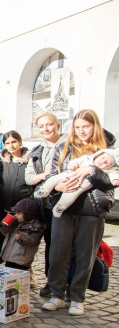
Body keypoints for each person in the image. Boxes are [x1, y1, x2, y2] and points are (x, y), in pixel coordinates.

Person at [41, 110, 116, 316]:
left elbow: (111, 181)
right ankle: (57, 295)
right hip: (64, 208)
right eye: (78, 127)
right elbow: (53, 175)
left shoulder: (107, 150)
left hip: (91, 209)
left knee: (85, 255)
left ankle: (77, 297)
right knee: (58, 252)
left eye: (86, 126)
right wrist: (58, 188)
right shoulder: (64, 148)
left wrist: (91, 171)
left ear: (95, 127)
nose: (82, 131)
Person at [25, 113, 67, 297]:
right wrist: (44, 176)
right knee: (47, 243)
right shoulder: (37, 150)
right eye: (42, 126)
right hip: (42, 204)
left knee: (58, 245)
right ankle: (50, 281)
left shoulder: (68, 146)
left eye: (49, 125)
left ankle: (58, 283)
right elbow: (28, 177)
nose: (46, 129)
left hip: (62, 202)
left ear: (57, 125)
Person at [35, 149, 119, 217]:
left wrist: (115, 180)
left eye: (106, 163)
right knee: (54, 179)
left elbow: (113, 176)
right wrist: (72, 166)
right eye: (103, 158)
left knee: (71, 195)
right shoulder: (87, 158)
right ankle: (43, 190)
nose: (102, 162)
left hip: (82, 185)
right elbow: (75, 161)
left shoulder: (108, 170)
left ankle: (60, 207)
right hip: (71, 174)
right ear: (99, 154)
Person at [0, 131, 34, 260]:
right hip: (3, 208)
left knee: (20, 238)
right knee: (0, 235)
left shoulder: (30, 161)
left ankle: (17, 266)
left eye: (14, 142)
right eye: (8, 143)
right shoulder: (1, 162)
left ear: (20, 142)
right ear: (4, 145)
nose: (11, 146)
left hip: (22, 209)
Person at [0, 198, 45, 288]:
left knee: (20, 276)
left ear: (27, 214)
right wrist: (4, 225)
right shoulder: (16, 222)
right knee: (9, 273)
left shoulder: (35, 226)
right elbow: (5, 233)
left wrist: (23, 238)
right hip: (10, 255)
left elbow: (34, 240)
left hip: (22, 258)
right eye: (16, 213)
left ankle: (28, 281)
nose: (16, 215)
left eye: (19, 213)